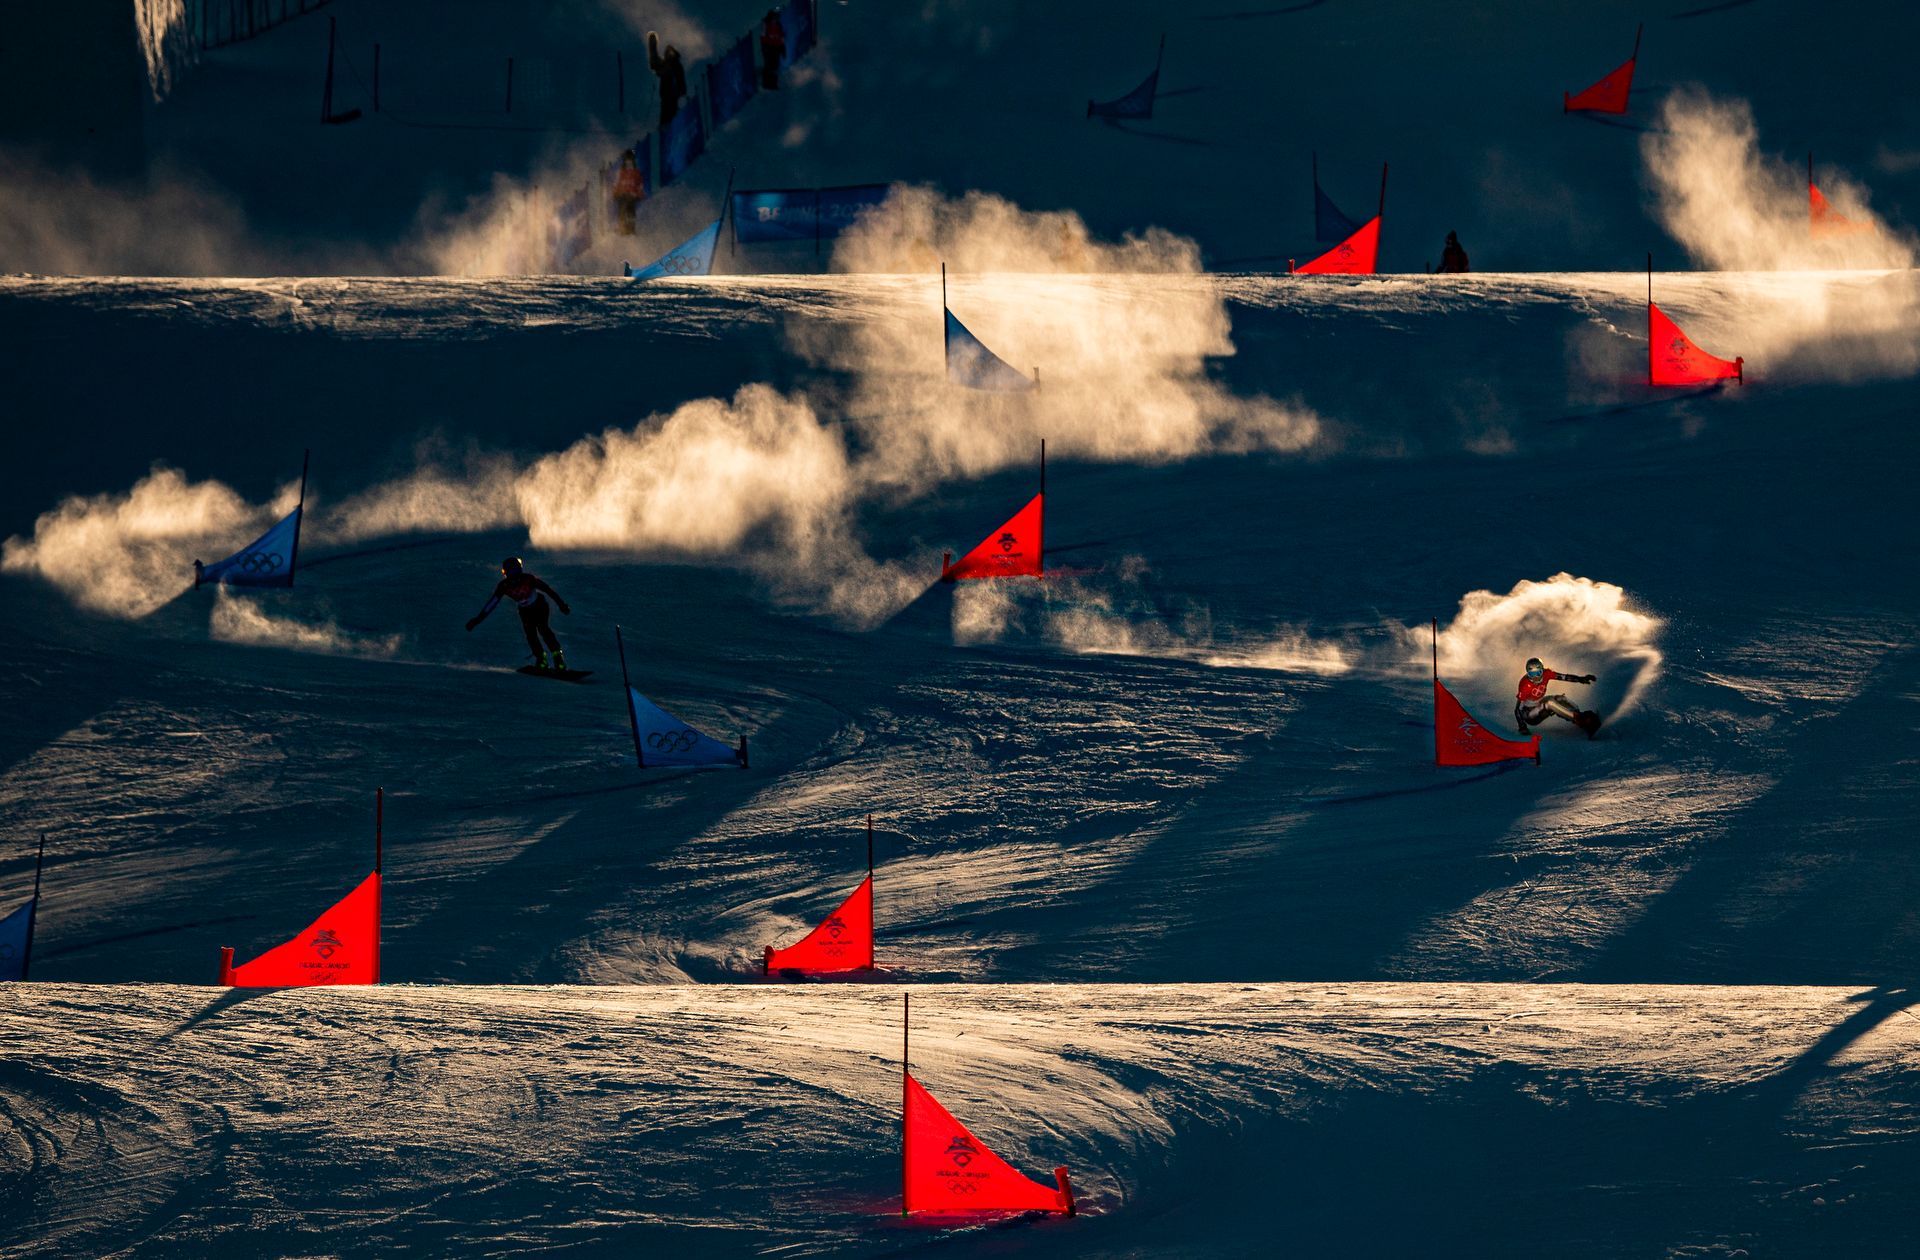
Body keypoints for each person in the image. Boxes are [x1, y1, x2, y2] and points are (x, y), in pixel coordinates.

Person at [467, 557, 571, 670]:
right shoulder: (505, 586)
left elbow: (547, 590)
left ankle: (557, 659)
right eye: (510, 571)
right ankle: (542, 659)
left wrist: (561, 605)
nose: (513, 576)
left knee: (543, 629)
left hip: (539, 606)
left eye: (514, 571)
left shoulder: (527, 579)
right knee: (531, 635)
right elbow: (492, 603)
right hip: (525, 611)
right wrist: (478, 619)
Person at [1515, 657, 1599, 737]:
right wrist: (1522, 726)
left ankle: (1579, 715)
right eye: (1532, 674)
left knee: (1559, 698)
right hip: (1529, 715)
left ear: (1542, 670)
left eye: (1538, 673)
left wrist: (1580, 679)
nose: (1536, 677)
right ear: (1527, 673)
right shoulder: (1525, 685)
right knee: (1549, 703)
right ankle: (1580, 719)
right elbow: (1518, 709)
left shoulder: (1546, 673)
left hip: (1538, 704)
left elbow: (1564, 677)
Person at [648, 31, 688, 127]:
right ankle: (665, 128)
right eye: (667, 52)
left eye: (670, 52)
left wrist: (681, 89)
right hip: (666, 95)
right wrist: (652, 44)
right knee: (666, 112)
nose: (669, 54)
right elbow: (654, 62)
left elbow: (680, 79)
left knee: (670, 111)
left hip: (672, 94)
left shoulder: (676, 65)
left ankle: (669, 127)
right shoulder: (665, 64)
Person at [612, 148, 644, 236]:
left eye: (630, 160)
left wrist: (639, 194)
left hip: (630, 196)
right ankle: (624, 229)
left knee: (629, 212)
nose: (628, 162)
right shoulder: (622, 172)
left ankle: (629, 229)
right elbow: (617, 183)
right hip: (624, 195)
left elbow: (640, 184)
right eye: (627, 160)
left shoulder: (635, 172)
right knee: (624, 211)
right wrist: (615, 193)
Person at [760, 10, 786, 90]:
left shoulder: (778, 26)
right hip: (769, 47)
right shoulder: (766, 25)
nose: (775, 19)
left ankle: (773, 83)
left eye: (776, 17)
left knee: (775, 66)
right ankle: (766, 83)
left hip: (776, 48)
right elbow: (763, 37)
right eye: (774, 17)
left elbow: (780, 37)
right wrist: (766, 48)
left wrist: (782, 49)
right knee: (769, 66)